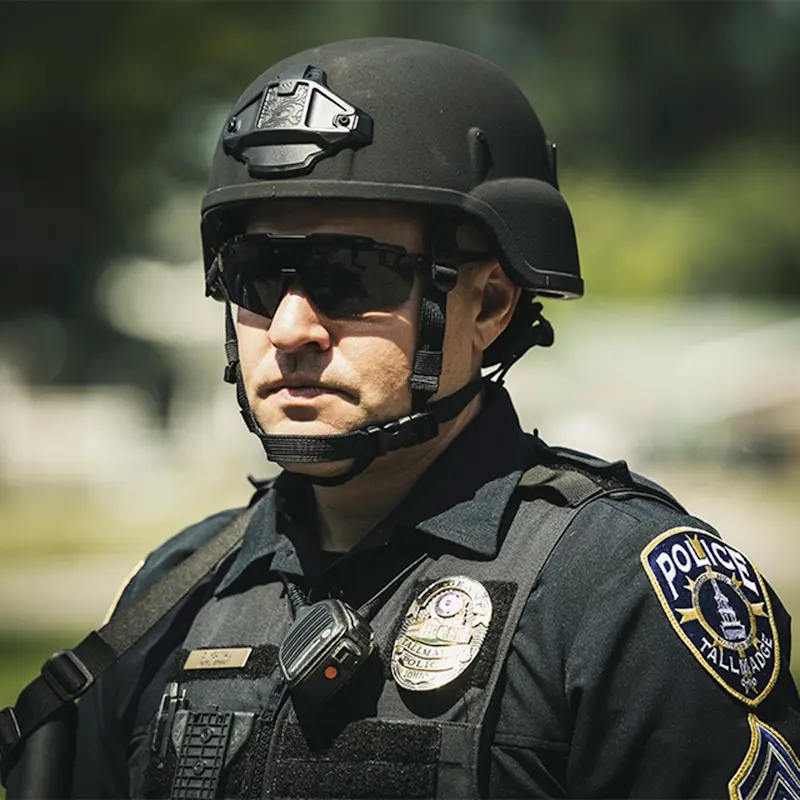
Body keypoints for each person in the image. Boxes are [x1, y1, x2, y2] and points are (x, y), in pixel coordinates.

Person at [11, 37, 800, 799]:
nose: (289, 328)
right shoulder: (174, 593)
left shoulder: (620, 595)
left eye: (350, 274)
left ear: (488, 303)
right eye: (253, 276)